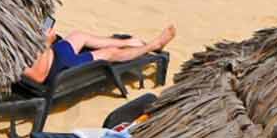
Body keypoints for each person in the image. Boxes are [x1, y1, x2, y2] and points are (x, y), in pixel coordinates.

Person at [23, 19, 176, 85]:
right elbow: (39, 76)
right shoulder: (8, 60)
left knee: (78, 35)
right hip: (58, 69)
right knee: (110, 53)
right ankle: (152, 46)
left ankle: (127, 42)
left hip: (53, 53)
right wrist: (45, 43)